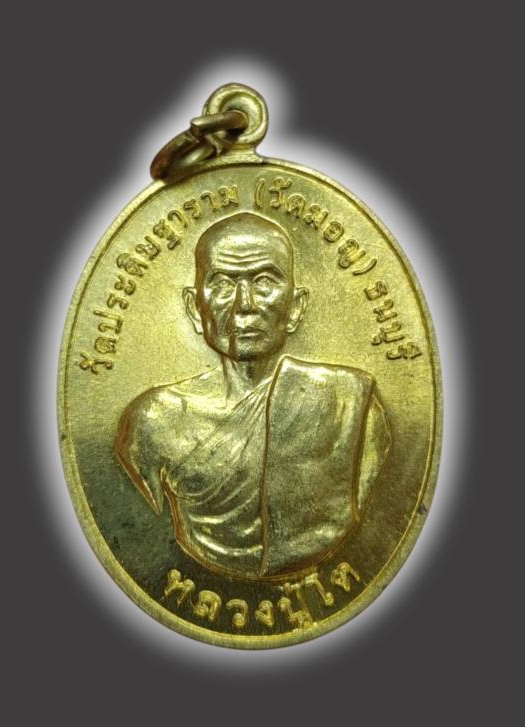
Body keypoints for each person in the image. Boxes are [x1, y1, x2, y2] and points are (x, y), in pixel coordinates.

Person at [116, 212, 390, 580]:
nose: (244, 304)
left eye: (263, 282)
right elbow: (139, 528)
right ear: (195, 308)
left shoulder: (350, 406)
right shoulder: (155, 420)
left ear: (296, 306)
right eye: (223, 283)